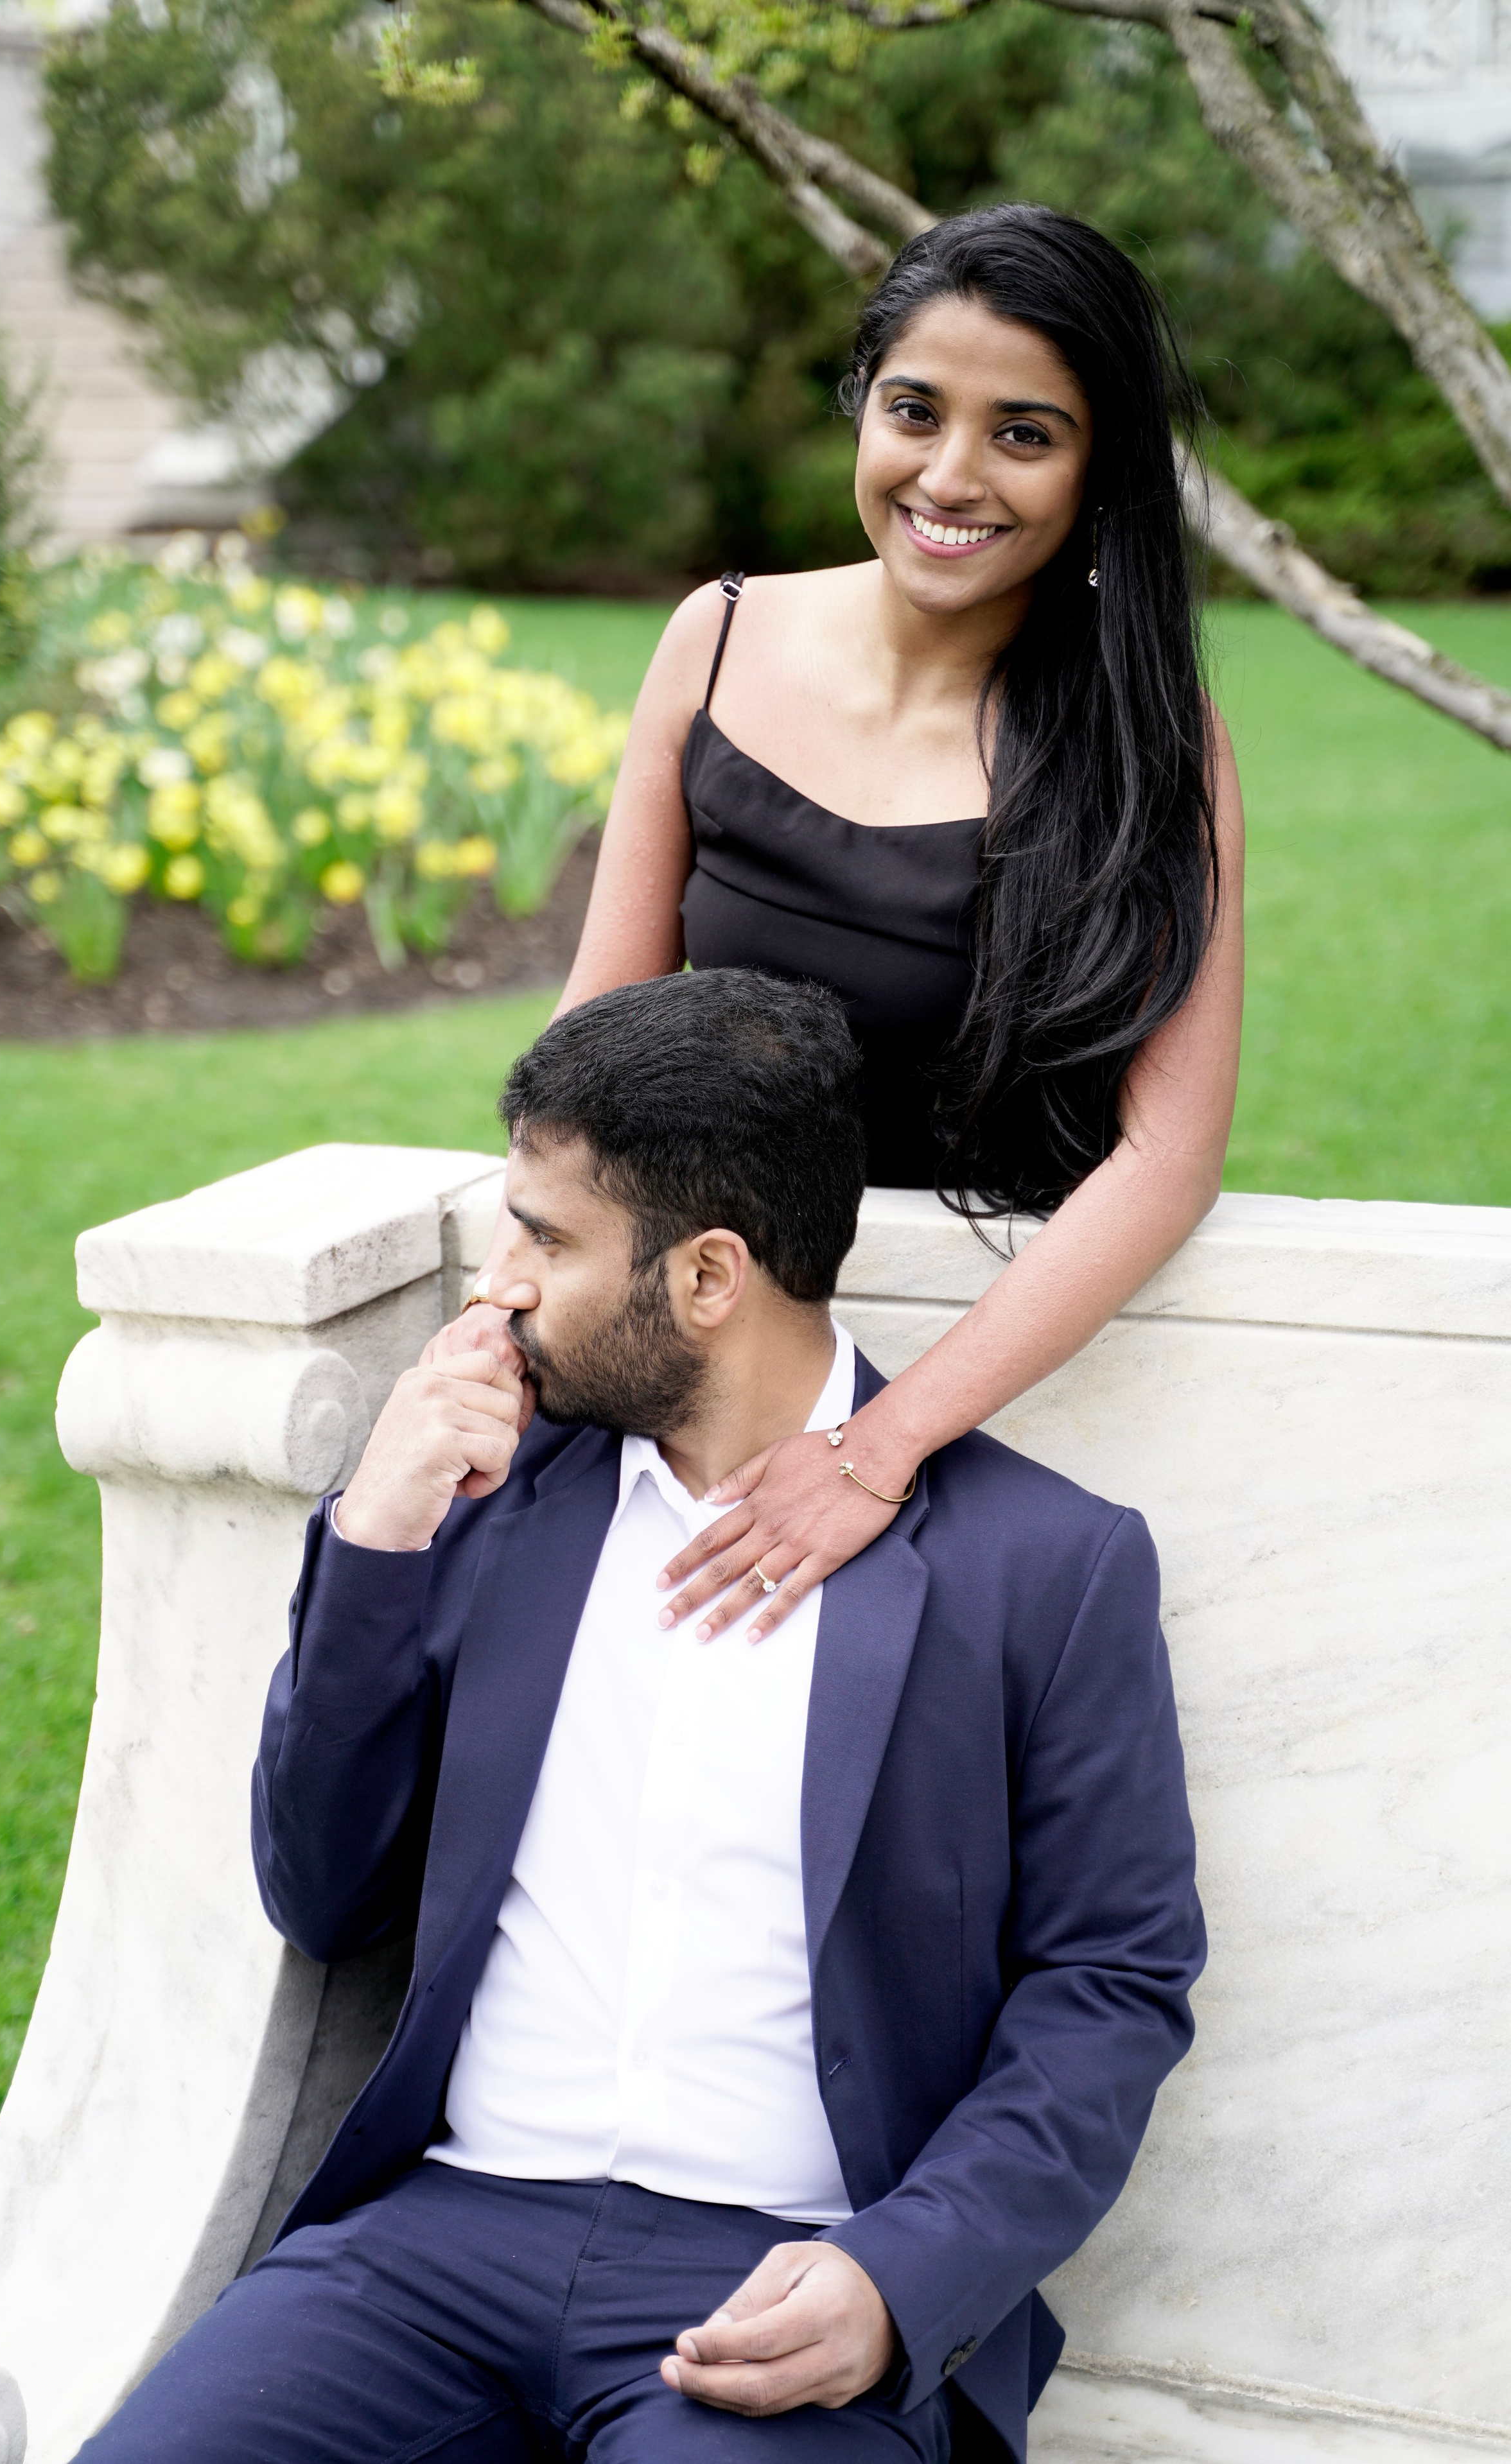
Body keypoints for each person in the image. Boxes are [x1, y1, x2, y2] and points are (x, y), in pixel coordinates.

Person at [75, 969, 1204, 2464]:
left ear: (707, 1275)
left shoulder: (1040, 1567)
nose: (498, 1285)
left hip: (782, 2271)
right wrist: (377, 1534)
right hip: (431, 2250)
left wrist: (896, 2274)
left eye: (545, 1238)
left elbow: (1110, 1982)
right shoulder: (482, 1499)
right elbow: (323, 1890)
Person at [442, 202, 1244, 1650]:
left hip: (979, 1372)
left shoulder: (1149, 741)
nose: (949, 474)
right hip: (689, 1331)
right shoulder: (719, 635)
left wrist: (876, 1445)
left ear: (1093, 469)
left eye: (1022, 432)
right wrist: (519, 1267)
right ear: (859, 406)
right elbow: (592, 1036)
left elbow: (1167, 1154)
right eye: (913, 410)